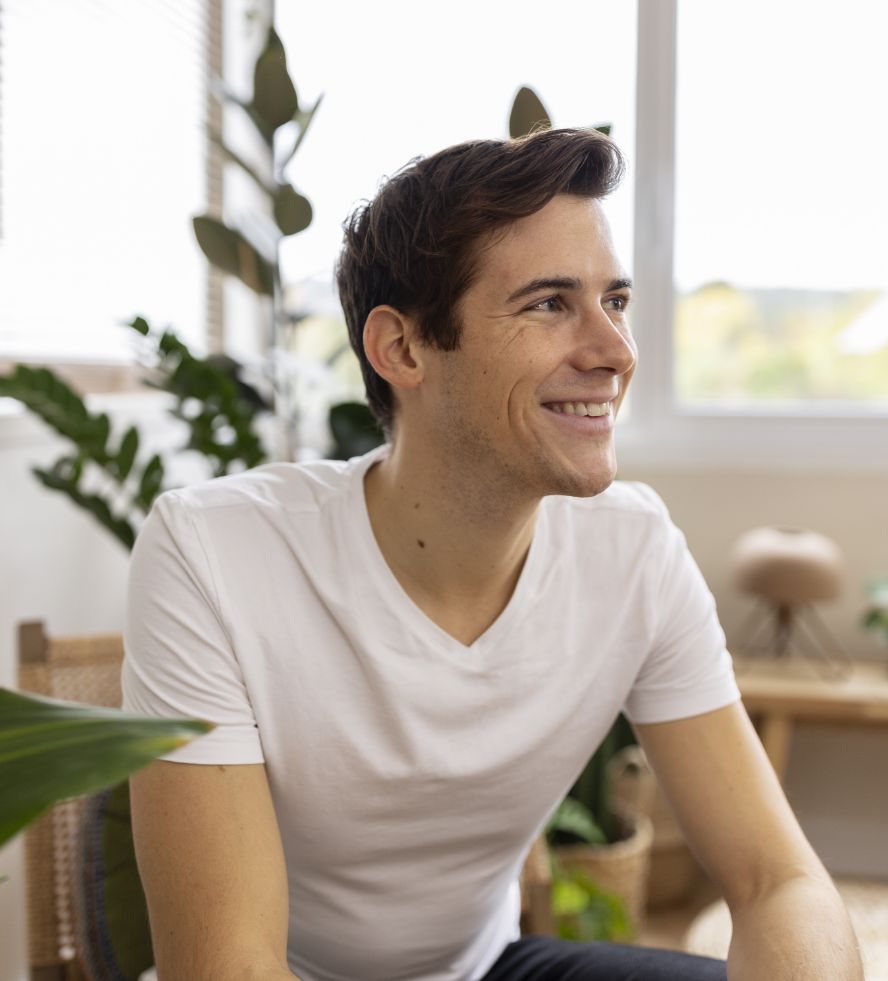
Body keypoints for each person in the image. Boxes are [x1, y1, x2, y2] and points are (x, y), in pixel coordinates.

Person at [124, 128, 862, 981]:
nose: (615, 352)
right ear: (401, 349)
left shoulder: (634, 551)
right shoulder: (212, 550)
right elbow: (229, 968)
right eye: (550, 303)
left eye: (613, 301)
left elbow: (779, 879)